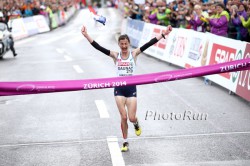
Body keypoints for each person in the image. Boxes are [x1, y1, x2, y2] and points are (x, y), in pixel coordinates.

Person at [81, 24, 172, 152]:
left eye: (126, 44)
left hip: (131, 89)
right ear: (119, 44)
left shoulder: (134, 54)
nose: (124, 47)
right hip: (119, 89)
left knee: (131, 117)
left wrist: (164, 34)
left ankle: (136, 123)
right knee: (123, 117)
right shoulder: (115, 55)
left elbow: (149, 43)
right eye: (121, 44)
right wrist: (86, 35)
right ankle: (125, 142)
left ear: (129, 44)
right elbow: (98, 47)